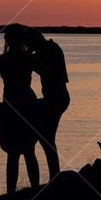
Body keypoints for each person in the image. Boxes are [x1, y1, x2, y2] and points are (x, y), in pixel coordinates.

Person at [0, 24, 40, 194]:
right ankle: (34, 192)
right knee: (27, 152)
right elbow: (47, 73)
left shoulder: (2, 60)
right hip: (23, 106)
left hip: (14, 106)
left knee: (14, 154)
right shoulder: (27, 58)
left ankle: (12, 195)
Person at [26, 28, 70, 181]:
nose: (28, 47)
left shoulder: (47, 51)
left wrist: (31, 59)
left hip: (56, 98)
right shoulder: (51, 47)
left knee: (47, 138)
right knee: (47, 137)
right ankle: (54, 175)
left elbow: (49, 74)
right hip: (54, 98)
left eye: (29, 43)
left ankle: (54, 176)